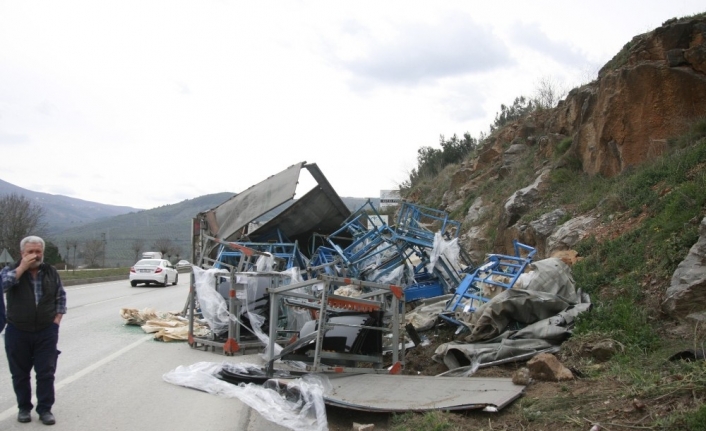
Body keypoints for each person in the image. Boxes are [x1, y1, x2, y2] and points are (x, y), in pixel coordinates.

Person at [1, 236, 66, 425]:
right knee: (20, 374)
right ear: (22, 253)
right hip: (17, 330)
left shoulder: (51, 272)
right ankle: (23, 408)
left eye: (38, 252)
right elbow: (3, 286)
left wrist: (56, 321)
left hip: (46, 330)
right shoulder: (10, 270)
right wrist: (21, 268)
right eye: (30, 252)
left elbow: (60, 297)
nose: (35, 255)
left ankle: (45, 409)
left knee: (46, 372)